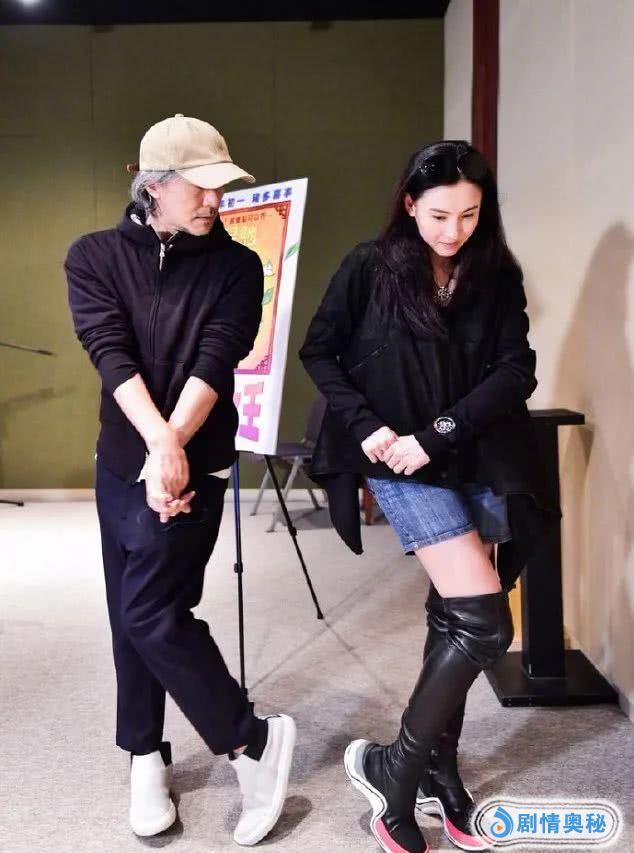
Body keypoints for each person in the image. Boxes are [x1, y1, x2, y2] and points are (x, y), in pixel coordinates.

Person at [300, 140, 558, 853]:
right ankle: (394, 768)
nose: (454, 231)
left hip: (473, 453)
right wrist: (370, 427)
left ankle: (438, 772)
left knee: (453, 617)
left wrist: (439, 433)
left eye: (469, 215)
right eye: (440, 215)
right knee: (485, 625)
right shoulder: (370, 266)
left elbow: (516, 369)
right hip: (398, 462)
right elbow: (320, 350)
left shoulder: (496, 274)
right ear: (410, 204)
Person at [66, 114, 296, 847]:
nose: (216, 201)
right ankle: (145, 753)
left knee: (150, 608)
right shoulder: (94, 256)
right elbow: (109, 350)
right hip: (121, 459)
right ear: (153, 186)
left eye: (221, 186)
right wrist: (156, 444)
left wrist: (175, 450)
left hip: (198, 459)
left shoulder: (237, 266)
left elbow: (216, 358)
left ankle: (252, 740)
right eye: (201, 187)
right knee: (129, 609)